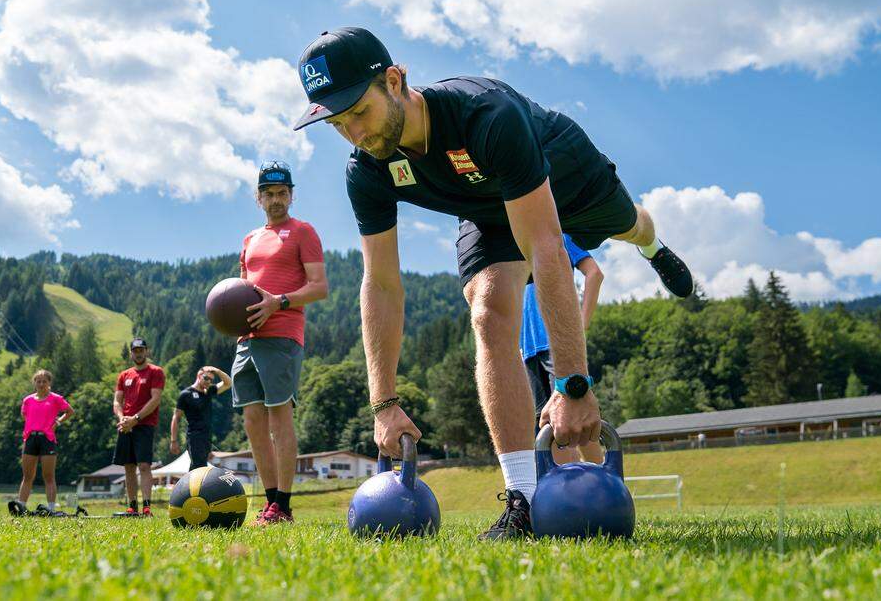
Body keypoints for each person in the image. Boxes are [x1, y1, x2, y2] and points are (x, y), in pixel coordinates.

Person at [291, 27, 693, 540]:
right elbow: (382, 282)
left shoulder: (486, 116)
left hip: (568, 177)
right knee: (487, 309)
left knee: (629, 223)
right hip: (486, 207)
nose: (354, 134)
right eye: (337, 124)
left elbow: (546, 247)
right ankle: (523, 498)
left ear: (394, 81)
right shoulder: (368, 170)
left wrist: (572, 384)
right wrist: (383, 404)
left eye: (359, 114)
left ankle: (652, 246)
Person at [230, 161, 328, 525]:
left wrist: (278, 302)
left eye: (282, 193)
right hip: (247, 340)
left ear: (291, 195)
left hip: (283, 334)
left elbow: (319, 287)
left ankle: (283, 505)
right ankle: (270, 502)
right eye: (269, 194)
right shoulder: (249, 239)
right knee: (254, 421)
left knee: (279, 418)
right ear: (258, 198)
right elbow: (243, 289)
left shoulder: (303, 232)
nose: (276, 200)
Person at [522, 234, 604, 465]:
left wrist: (581, 325)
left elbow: (594, 273)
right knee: (550, 426)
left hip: (556, 343)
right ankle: (578, 490)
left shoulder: (555, 234)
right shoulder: (512, 244)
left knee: (570, 419)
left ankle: (606, 485)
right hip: (527, 350)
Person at [113, 338, 165, 516]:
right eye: (135, 350)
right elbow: (117, 401)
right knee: (128, 466)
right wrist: (122, 419)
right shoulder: (124, 375)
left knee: (144, 466)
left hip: (144, 425)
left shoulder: (156, 372)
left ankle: (147, 507)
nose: (138, 353)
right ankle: (132, 506)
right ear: (131, 353)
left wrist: (135, 418)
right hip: (126, 425)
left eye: (141, 350)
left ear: (147, 351)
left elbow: (155, 399)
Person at [15, 369, 73, 513]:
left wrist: (58, 422)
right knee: (28, 476)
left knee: (48, 476)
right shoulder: (27, 400)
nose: (41, 384)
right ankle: (21, 506)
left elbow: (70, 411)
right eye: (38, 381)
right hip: (30, 439)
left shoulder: (56, 398)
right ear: (34, 383)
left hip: (47, 439)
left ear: (49, 383)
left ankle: (52, 509)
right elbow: (24, 415)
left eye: (44, 381)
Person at [171, 366, 232, 470]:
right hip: (194, 436)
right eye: (206, 378)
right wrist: (174, 440)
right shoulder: (186, 394)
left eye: (211, 380)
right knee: (199, 467)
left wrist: (217, 371)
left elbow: (228, 383)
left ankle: (189, 486)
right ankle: (192, 486)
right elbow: (176, 418)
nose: (209, 382)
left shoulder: (209, 391)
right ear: (199, 376)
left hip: (207, 437)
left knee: (197, 467)